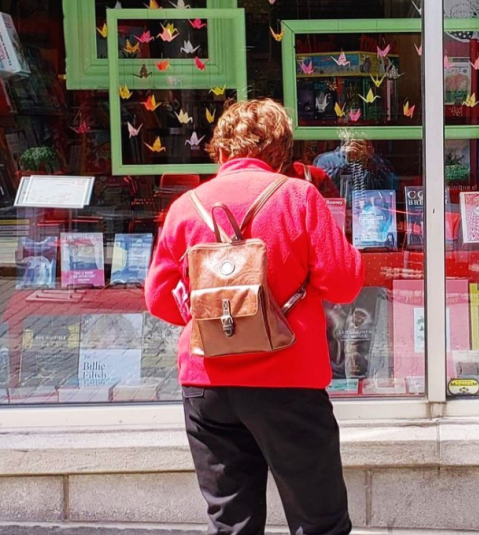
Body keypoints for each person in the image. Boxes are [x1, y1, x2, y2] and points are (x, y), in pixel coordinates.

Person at [145, 98, 364, 535]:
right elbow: (343, 284)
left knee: (231, 522)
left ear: (221, 147)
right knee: (320, 521)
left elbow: (159, 299)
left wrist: (213, 316)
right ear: (280, 150)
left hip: (207, 383)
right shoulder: (299, 197)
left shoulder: (186, 207)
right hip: (288, 380)